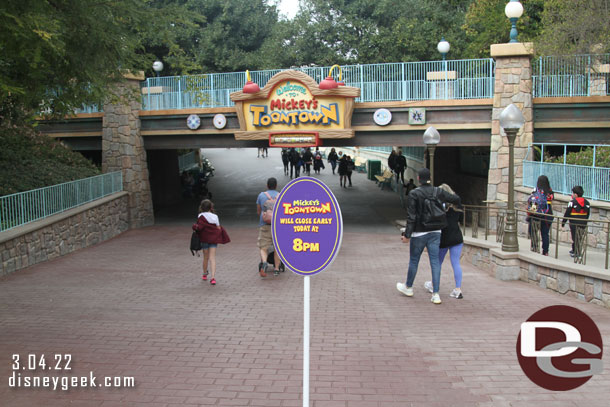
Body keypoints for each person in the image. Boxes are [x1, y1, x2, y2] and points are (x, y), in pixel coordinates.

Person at [396, 168, 461, 304]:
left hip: (419, 232)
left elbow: (411, 216)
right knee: (435, 262)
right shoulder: (438, 192)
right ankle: (436, 294)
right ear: (429, 178)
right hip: (436, 232)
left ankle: (408, 287)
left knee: (414, 261)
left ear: (419, 179)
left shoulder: (414, 193)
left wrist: (407, 235)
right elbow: (456, 199)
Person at [424, 184, 464, 299]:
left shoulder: (439, 206)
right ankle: (458, 289)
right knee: (456, 263)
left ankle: (433, 284)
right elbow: (460, 220)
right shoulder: (457, 205)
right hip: (456, 237)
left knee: (438, 263)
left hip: (443, 238)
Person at [192, 199, 230, 285]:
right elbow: (218, 227)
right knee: (212, 257)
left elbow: (199, 227)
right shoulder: (215, 216)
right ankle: (213, 278)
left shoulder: (200, 216)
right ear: (211, 207)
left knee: (205, 257)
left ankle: (205, 274)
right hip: (213, 239)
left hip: (204, 239)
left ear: (201, 207)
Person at [256, 177, 281, 277]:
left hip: (265, 224)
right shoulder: (281, 196)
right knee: (277, 248)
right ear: (276, 186)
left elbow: (258, 211)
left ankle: (265, 262)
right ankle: (276, 268)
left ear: (267, 185)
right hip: (278, 226)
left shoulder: (261, 195)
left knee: (263, 247)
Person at [528, 175, 554, 256]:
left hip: (537, 213)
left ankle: (535, 246)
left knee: (532, 230)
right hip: (548, 213)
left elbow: (533, 201)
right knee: (545, 233)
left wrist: (531, 213)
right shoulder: (550, 192)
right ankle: (545, 251)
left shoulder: (536, 190)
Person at [561, 185, 591, 257]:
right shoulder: (587, 203)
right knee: (579, 237)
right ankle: (574, 249)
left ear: (575, 194)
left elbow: (567, 213)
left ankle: (577, 253)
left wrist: (563, 222)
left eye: (573, 193)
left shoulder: (572, 202)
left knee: (575, 237)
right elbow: (588, 214)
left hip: (574, 222)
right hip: (583, 223)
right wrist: (585, 221)